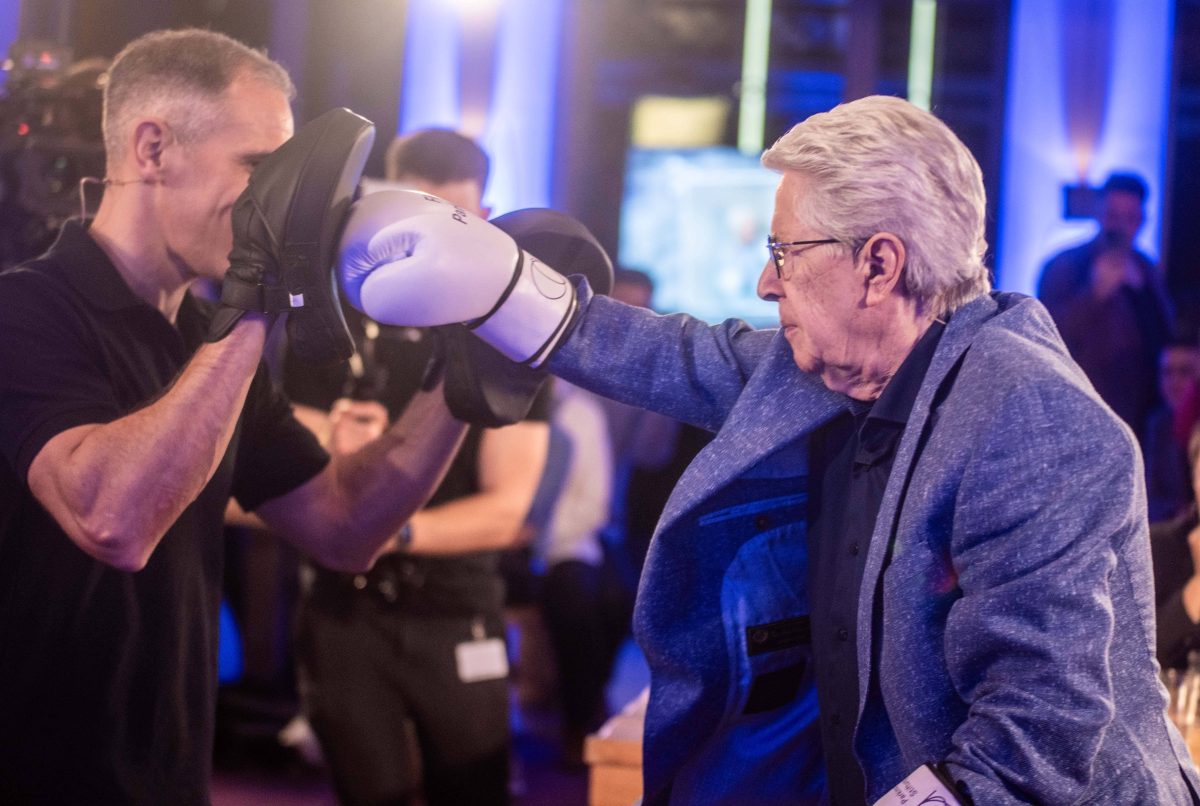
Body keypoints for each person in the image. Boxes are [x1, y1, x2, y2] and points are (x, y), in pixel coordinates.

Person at [336, 95, 1200, 804]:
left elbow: (1035, 741)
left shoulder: (1033, 420)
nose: (765, 282)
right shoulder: (844, 365)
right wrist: (500, 286)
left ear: (879, 265)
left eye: (784, 251)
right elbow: (676, 355)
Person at [0, 29, 472, 805]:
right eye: (259, 169)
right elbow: (112, 518)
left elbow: (346, 525)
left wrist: (465, 377)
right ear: (152, 149)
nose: (280, 204)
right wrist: (257, 303)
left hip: (165, 778)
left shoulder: (203, 343)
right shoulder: (26, 309)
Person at [282, 127, 547, 805]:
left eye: (453, 221)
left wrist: (378, 525)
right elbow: (283, 442)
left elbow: (507, 508)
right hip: (343, 612)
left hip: (456, 610)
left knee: (475, 790)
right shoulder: (330, 319)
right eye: (415, 217)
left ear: (481, 218)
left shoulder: (508, 333)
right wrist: (341, 447)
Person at [1037, 172, 1174, 439]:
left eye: (1129, 218)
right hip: (1077, 409)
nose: (1120, 227)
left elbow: (1165, 337)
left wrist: (1142, 292)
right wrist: (1095, 294)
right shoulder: (1065, 265)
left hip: (1139, 415)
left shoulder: (1147, 270)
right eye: (1113, 216)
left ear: (1141, 221)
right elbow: (1045, 337)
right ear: (1099, 213)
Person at [1146, 341, 1200, 521]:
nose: (1174, 382)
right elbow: (1151, 496)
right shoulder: (1158, 424)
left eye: (1184, 372)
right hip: (1177, 526)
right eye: (1167, 373)